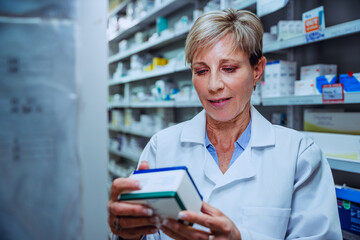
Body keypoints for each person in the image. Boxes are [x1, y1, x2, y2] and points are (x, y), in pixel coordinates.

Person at [108, 9, 342, 240]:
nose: (213, 85)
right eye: (201, 70)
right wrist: (127, 234)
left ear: (257, 70)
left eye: (228, 68)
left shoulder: (300, 155)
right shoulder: (162, 147)